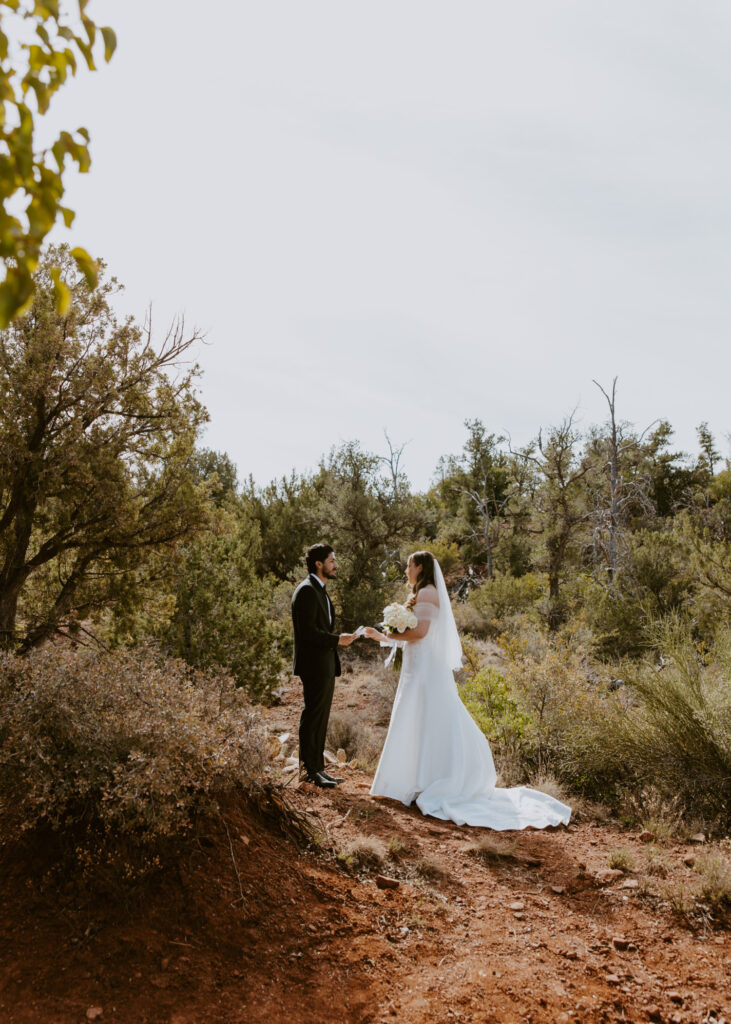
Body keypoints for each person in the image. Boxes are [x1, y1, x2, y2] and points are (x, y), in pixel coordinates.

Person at [362, 551, 571, 829]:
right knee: (419, 719)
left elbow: (421, 632)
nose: (406, 570)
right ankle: (415, 779)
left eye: (409, 565)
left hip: (424, 670)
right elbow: (414, 635)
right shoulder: (422, 592)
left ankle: (429, 779)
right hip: (418, 666)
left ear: (420, 567)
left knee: (428, 717)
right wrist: (384, 635)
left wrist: (390, 634)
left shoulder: (427, 593)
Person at [291, 543, 359, 788]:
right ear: (318, 564)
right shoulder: (307, 590)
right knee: (312, 716)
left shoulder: (320, 589)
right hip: (313, 664)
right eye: (331, 560)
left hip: (325, 663)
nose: (336, 565)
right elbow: (308, 633)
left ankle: (317, 768)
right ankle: (308, 771)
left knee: (320, 717)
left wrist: (337, 640)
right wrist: (337, 640)